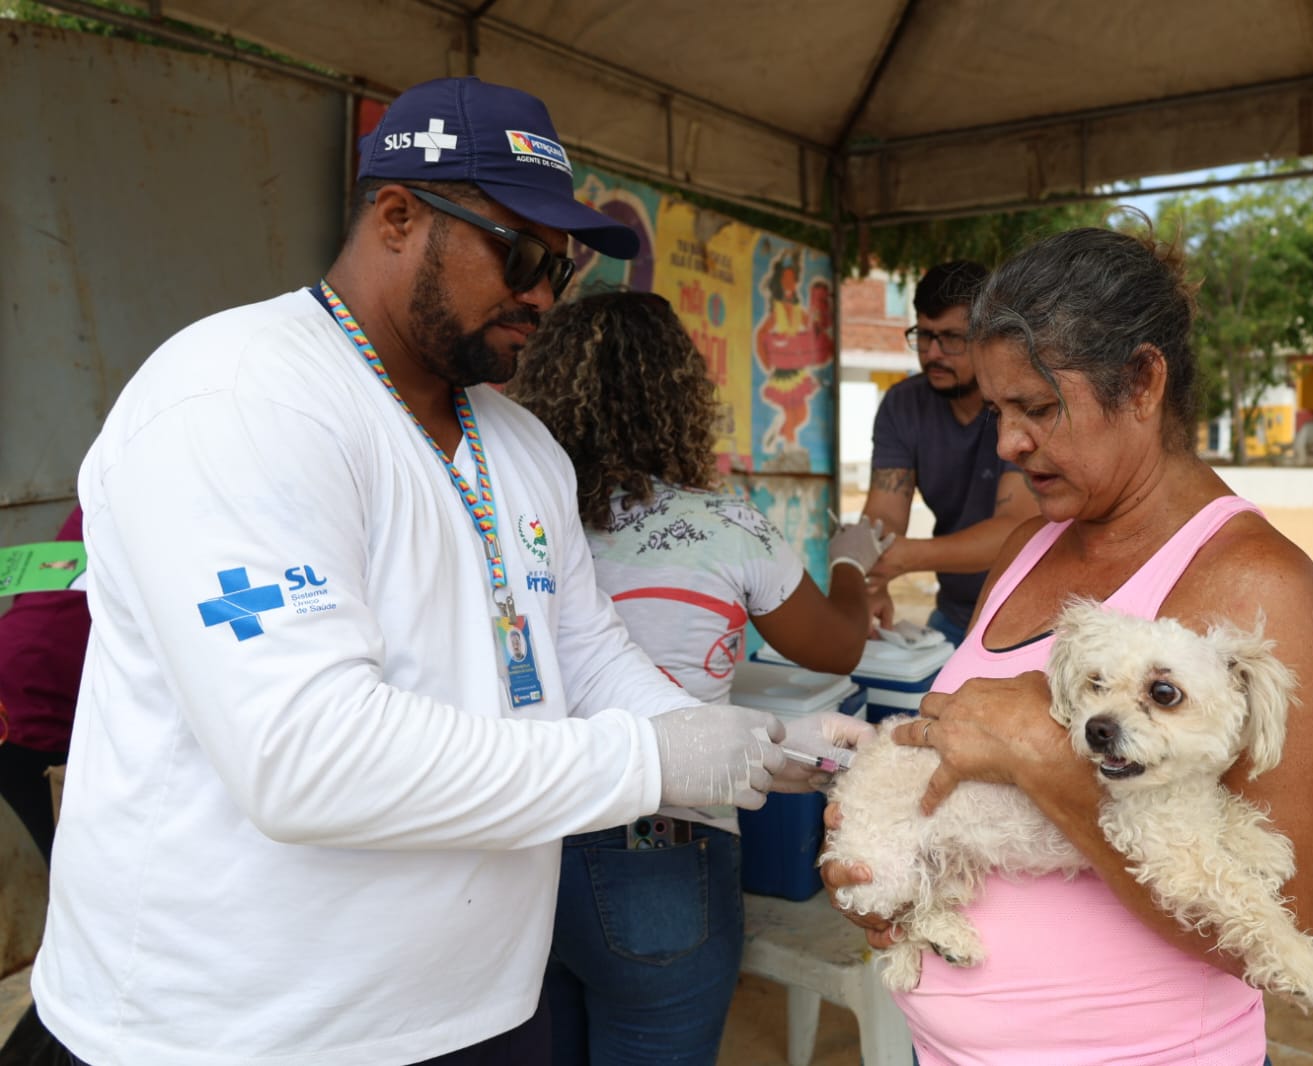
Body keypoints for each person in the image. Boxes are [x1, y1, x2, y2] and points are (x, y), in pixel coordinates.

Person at [28, 77, 821, 1066]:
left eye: (561, 270)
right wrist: (651, 763)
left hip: (481, 1011)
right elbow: (304, 756)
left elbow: (585, 654)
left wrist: (731, 740)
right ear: (397, 216)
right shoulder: (238, 397)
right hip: (229, 1033)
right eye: (521, 254)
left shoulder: (524, 445)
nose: (541, 294)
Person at [822, 225, 1313, 1064]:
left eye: (1036, 408)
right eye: (998, 412)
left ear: (1141, 381)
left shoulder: (1255, 582)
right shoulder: (1027, 545)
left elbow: (1276, 925)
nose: (1007, 443)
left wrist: (1045, 757)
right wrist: (877, 869)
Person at [504, 291, 882, 1065]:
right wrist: (850, 558)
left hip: (520, 844)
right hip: (663, 852)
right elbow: (837, 647)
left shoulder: (516, 524)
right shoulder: (726, 525)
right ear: (680, 394)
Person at [861, 260, 1039, 645]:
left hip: (1032, 618)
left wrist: (907, 558)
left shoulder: (1019, 402)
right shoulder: (902, 405)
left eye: (951, 338)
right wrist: (873, 577)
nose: (933, 353)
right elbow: (882, 516)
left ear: (989, 338)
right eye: (924, 336)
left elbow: (1015, 529)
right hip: (954, 615)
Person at [0, 506, 89, 1066]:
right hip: (36, 717)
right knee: (88, 912)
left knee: (83, 905)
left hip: (20, 691)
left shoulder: (111, 476)